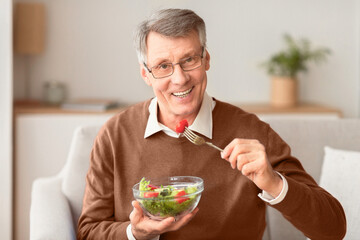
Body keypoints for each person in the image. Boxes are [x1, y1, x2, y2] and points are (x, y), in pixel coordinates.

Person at [77, 8, 346, 240]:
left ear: (206, 59)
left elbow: (333, 229)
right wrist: (136, 234)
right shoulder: (115, 135)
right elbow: (88, 232)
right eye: (163, 66)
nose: (180, 78)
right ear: (146, 74)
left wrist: (273, 183)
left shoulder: (251, 132)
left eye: (189, 59)